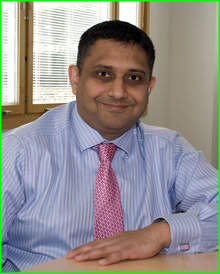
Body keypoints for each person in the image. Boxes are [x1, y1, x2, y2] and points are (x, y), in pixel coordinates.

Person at [2, 20, 218, 272]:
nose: (118, 91)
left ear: (149, 87)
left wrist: (158, 233)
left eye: (134, 78)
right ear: (75, 78)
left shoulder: (170, 150)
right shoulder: (19, 150)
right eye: (103, 74)